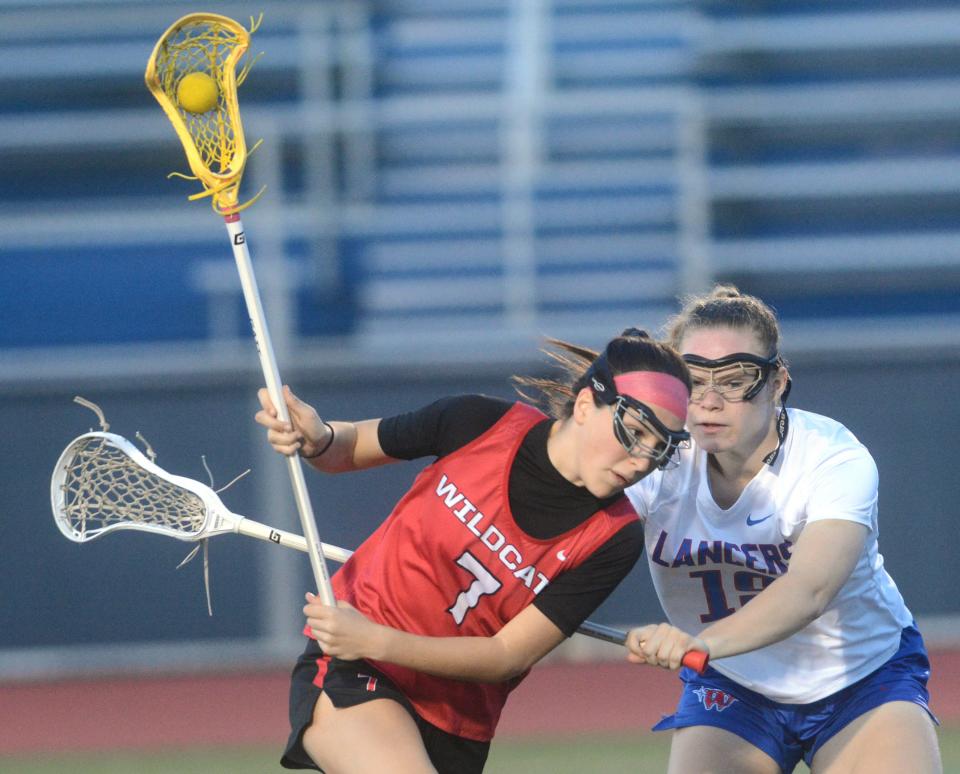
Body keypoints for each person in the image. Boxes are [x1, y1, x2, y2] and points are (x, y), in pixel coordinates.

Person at [254, 329, 692, 774]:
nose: (642, 461)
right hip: (357, 665)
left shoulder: (613, 538)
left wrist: (377, 639)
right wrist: (318, 439)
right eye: (634, 433)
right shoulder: (478, 422)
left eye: (661, 448)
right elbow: (343, 450)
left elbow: (506, 655)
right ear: (584, 406)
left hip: (458, 723)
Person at [622, 285, 942, 774]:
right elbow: (576, 530)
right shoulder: (657, 459)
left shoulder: (832, 457)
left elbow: (809, 590)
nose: (708, 400)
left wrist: (701, 643)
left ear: (777, 383)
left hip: (860, 675)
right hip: (732, 681)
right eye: (693, 378)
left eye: (734, 380)